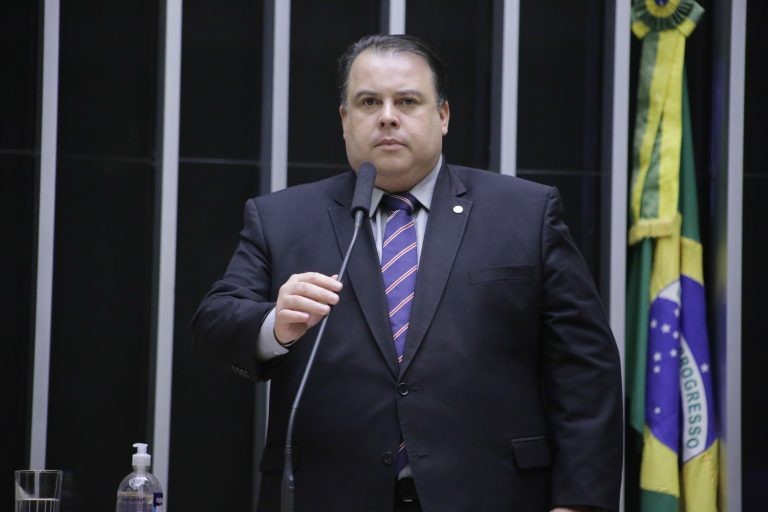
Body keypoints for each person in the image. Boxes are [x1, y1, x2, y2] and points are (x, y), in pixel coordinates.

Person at [192, 34, 622, 512]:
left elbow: (585, 370)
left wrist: (581, 504)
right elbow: (214, 323)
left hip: (494, 493)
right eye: (368, 101)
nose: (387, 116)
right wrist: (274, 324)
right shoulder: (281, 218)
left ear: (442, 115)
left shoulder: (525, 213)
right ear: (344, 120)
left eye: (408, 101)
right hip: (327, 494)